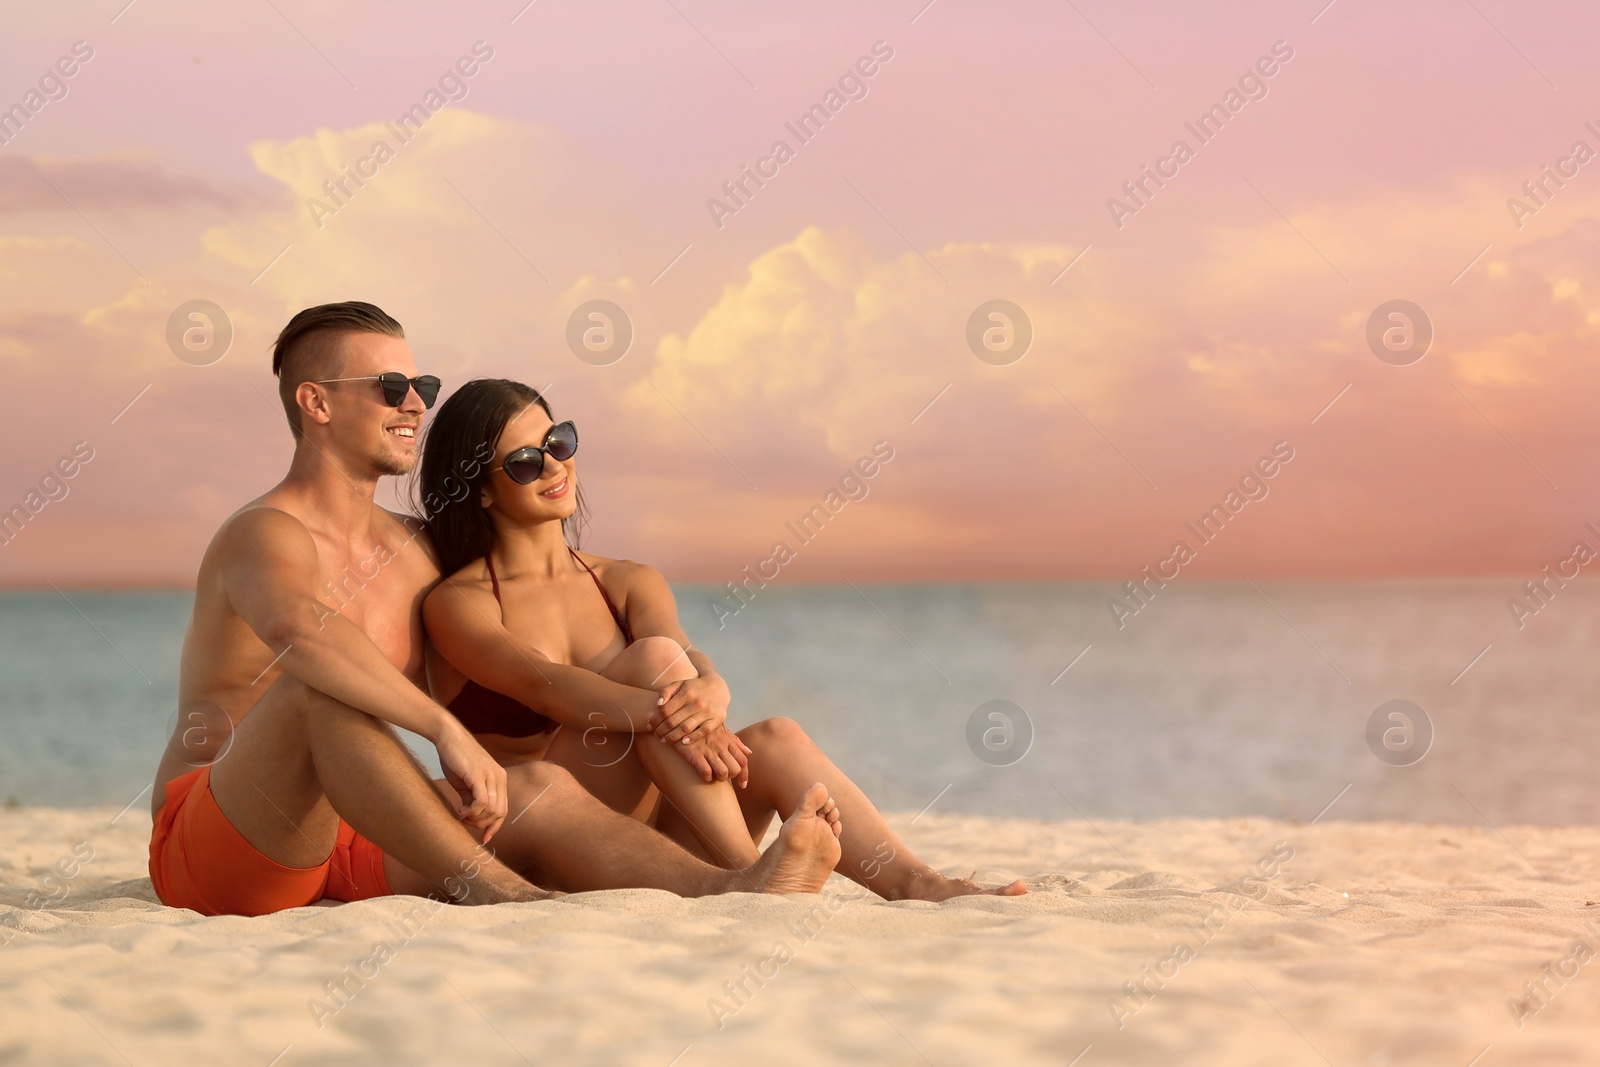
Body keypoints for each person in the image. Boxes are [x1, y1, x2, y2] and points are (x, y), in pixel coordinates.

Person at [146, 301, 844, 916]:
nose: (416, 404)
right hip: (227, 840)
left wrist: (681, 682)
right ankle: (507, 897)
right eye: (392, 388)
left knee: (541, 786)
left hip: (356, 833)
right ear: (317, 404)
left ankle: (733, 889)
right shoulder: (263, 533)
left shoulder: (419, 550)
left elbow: (536, 606)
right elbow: (300, 629)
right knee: (314, 694)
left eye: (422, 386)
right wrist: (445, 730)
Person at [418, 377, 1028, 901]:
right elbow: (551, 690)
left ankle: (915, 883)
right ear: (480, 488)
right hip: (567, 843)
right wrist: (683, 710)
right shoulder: (460, 604)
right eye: (525, 461)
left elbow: (676, 650)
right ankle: (752, 874)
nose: (554, 466)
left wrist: (711, 684)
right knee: (655, 664)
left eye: (559, 443)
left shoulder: (627, 580)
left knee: (775, 736)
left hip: (672, 841)